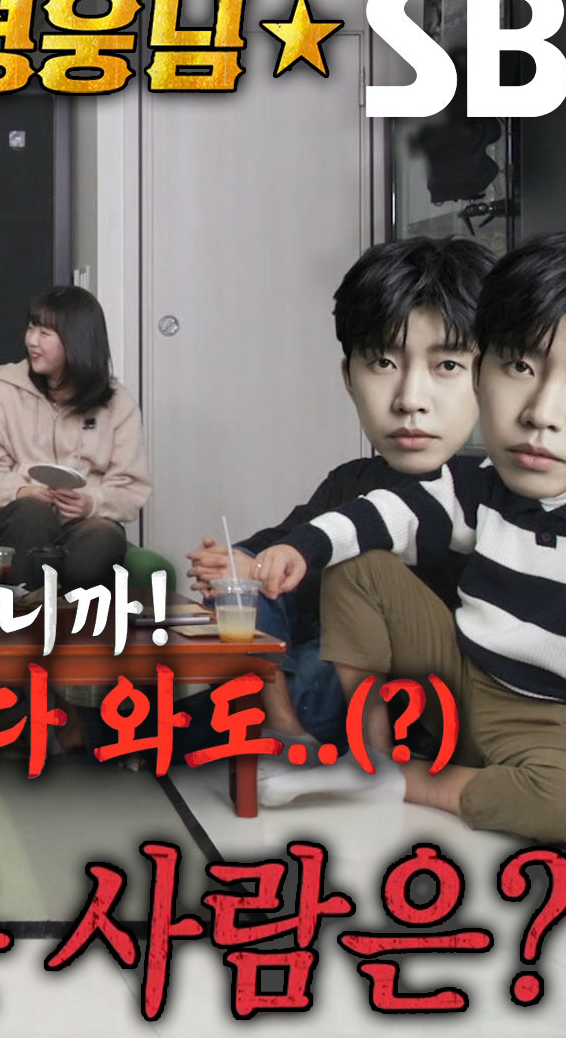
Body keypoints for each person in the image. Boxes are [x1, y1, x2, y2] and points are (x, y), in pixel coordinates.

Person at [255, 233, 566, 843]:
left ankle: (396, 781)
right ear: (483, 374)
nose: (540, 412)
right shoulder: (484, 480)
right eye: (520, 368)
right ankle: (368, 750)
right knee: (360, 567)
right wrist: (303, 547)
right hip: (465, 685)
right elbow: (391, 511)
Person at [184, 237, 493, 773]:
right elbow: (289, 537)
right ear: (349, 377)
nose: (410, 399)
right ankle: (276, 718)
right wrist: (238, 561)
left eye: (446, 364)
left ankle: (268, 716)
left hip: (406, 691)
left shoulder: (488, 486)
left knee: (309, 667)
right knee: (245, 593)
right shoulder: (353, 478)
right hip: (312, 652)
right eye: (383, 363)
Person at [0, 286, 149, 589]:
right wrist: (20, 490)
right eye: (31, 328)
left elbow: (130, 487)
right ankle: (31, 609)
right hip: (19, 518)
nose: (32, 341)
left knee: (102, 538)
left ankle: (57, 608)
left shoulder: (118, 403)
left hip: (86, 523)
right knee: (32, 515)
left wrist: (90, 503)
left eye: (45, 333)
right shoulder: (4, 390)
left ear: (77, 341)